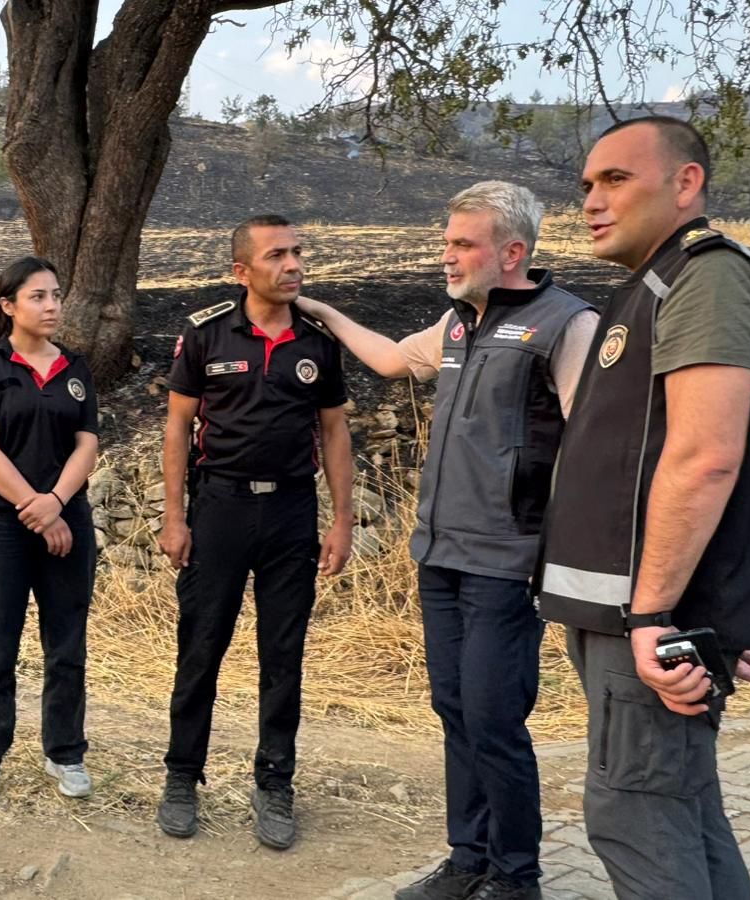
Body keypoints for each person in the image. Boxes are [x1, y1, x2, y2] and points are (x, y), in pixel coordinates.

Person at [537, 115, 750, 898]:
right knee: (682, 809)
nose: (592, 201)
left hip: (649, 620)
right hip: (643, 616)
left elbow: (705, 458)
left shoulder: (706, 276)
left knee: (636, 814)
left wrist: (655, 617)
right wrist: (716, 615)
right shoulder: (654, 285)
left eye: (615, 179)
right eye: (587, 185)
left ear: (686, 182)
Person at [301, 182, 595, 900]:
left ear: (512, 252)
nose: (447, 256)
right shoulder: (459, 322)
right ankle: (467, 862)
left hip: (507, 560)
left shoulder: (568, 325)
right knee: (455, 711)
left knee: (495, 720)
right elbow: (395, 360)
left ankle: (515, 878)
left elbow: (597, 450)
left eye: (463, 244)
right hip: (440, 555)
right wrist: (326, 314)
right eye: (447, 242)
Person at [155, 214, 355, 851]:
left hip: (291, 512)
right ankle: (182, 776)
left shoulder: (317, 342)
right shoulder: (206, 334)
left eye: (297, 252)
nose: (292, 265)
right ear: (241, 271)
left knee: (283, 654)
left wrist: (342, 519)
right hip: (219, 508)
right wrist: (175, 516)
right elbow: (177, 428)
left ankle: (274, 783)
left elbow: (334, 432)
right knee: (201, 646)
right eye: (276, 255)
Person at [0, 257, 100, 809]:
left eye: (56, 295)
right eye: (38, 296)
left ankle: (64, 752)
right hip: (2, 526)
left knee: (67, 646)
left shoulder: (75, 367)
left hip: (68, 522)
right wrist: (36, 509)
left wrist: (56, 503)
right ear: (9, 305)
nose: (51, 305)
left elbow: (86, 445)